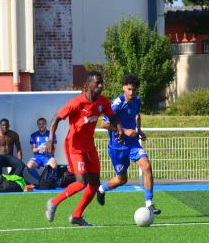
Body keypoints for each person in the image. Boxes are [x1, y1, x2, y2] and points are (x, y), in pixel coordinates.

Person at [44, 71, 123, 227]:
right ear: (88, 85)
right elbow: (56, 118)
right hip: (74, 147)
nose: (100, 86)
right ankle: (53, 202)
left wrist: (119, 128)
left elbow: (112, 116)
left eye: (102, 83)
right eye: (97, 83)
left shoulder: (102, 102)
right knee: (81, 183)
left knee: (94, 184)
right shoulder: (77, 103)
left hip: (89, 146)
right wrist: (50, 139)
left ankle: (76, 215)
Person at [97, 74, 161, 214]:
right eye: (129, 89)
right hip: (117, 147)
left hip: (132, 143)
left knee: (146, 166)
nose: (131, 93)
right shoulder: (117, 103)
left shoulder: (137, 101)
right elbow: (103, 124)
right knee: (122, 179)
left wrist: (139, 130)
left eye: (134, 90)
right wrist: (124, 130)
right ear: (123, 88)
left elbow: (137, 115)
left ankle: (149, 203)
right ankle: (101, 189)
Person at [26, 117, 57, 183]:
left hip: (48, 156)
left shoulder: (51, 134)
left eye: (43, 124)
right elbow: (33, 150)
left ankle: (49, 181)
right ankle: (40, 179)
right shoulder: (33, 135)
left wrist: (49, 150)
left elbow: (54, 149)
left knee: (54, 166)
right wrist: (39, 148)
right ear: (38, 125)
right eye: (39, 124)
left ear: (45, 124)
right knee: (29, 166)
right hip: (38, 157)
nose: (41, 125)